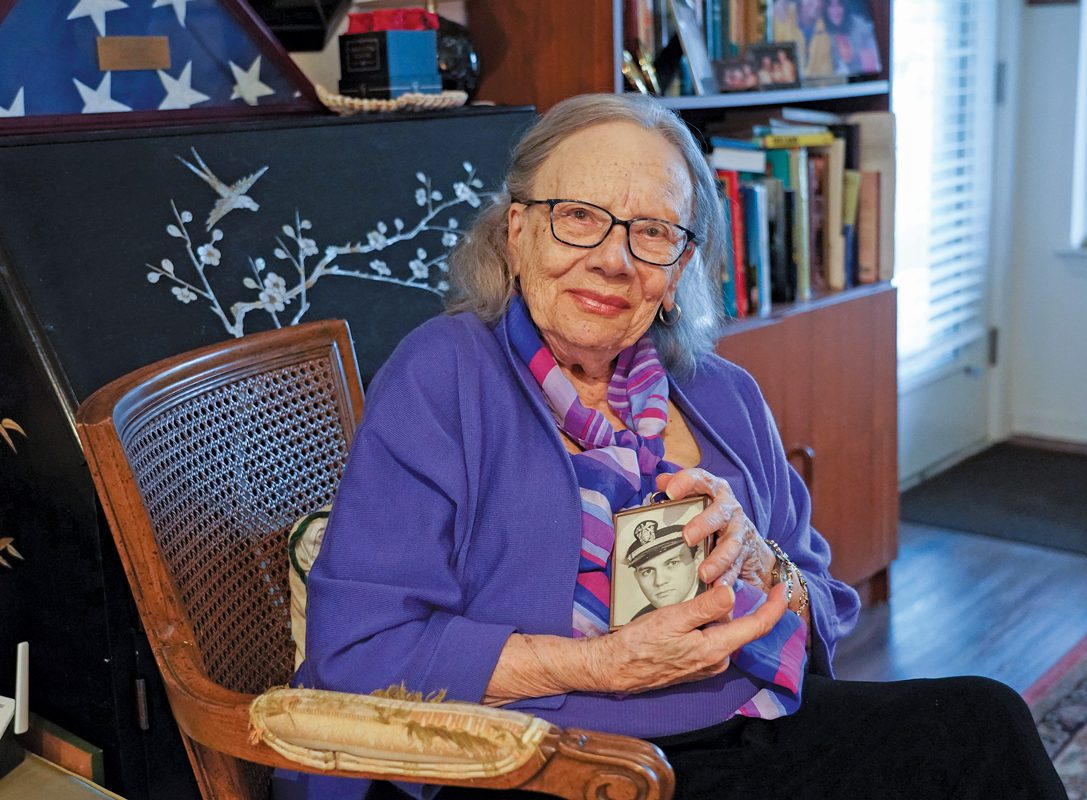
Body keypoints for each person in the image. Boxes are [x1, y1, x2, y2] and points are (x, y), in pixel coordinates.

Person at [288, 94, 1067, 799]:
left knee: (979, 721)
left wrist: (761, 561)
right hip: (539, 756)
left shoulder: (720, 392)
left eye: (652, 232)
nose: (613, 259)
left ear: (680, 264)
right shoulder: (444, 374)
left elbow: (822, 598)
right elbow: (358, 652)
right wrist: (599, 666)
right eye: (578, 216)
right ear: (516, 232)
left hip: (742, 719)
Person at [625, 521, 705, 620]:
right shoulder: (638, 622)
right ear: (637, 577)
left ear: (697, 559)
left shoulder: (715, 600)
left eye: (672, 563)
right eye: (647, 571)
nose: (659, 581)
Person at [825, 0, 882, 76]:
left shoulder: (861, 27)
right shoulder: (821, 31)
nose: (835, 10)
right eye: (830, 6)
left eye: (839, 5)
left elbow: (871, 66)